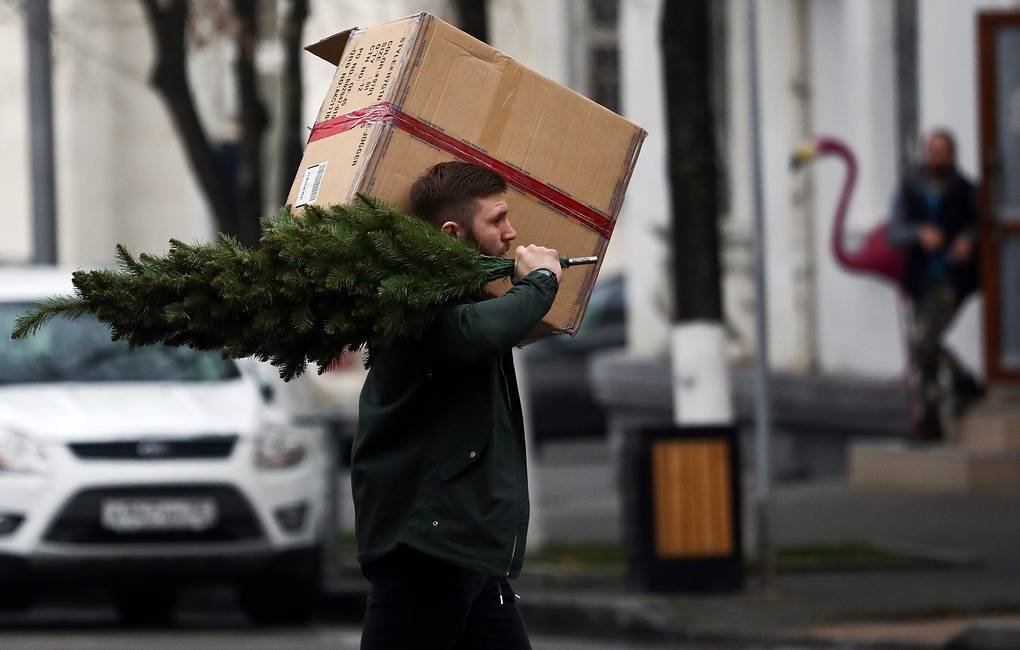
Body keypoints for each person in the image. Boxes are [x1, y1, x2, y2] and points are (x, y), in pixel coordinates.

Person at [353, 161, 562, 649]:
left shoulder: (456, 294)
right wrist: (540, 281)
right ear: (453, 233)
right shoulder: (414, 300)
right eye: (496, 220)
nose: (511, 233)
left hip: (464, 538)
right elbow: (481, 331)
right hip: (427, 540)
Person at [888, 129, 985, 442]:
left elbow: (982, 225)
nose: (937, 158)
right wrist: (918, 234)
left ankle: (964, 382)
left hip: (952, 279)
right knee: (925, 355)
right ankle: (933, 420)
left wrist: (967, 241)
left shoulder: (966, 190)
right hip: (920, 279)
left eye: (943, 152)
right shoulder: (910, 188)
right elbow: (894, 231)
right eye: (933, 151)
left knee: (922, 341)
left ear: (952, 155)